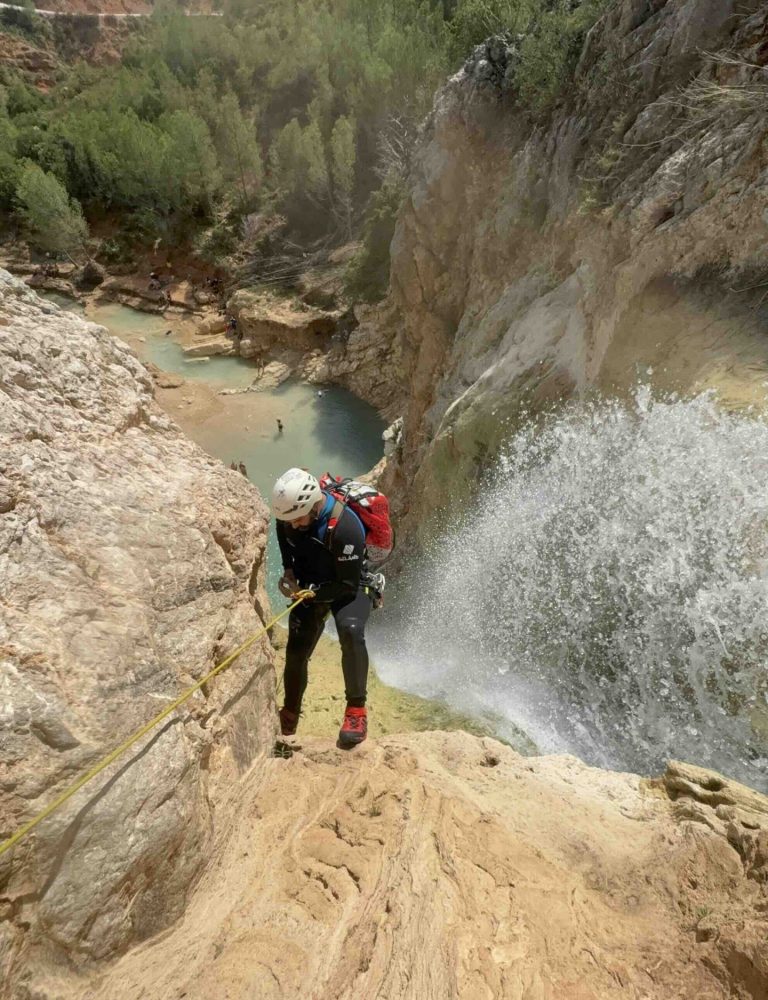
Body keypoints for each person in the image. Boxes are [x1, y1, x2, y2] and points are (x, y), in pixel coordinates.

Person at [273, 468, 372, 747]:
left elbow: (347, 585)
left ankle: (356, 710)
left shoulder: (345, 527)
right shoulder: (291, 516)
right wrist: (288, 568)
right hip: (310, 586)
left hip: (347, 584)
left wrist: (310, 594)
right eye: (287, 520)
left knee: (350, 630)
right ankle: (289, 714)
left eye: (297, 519)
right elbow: (283, 534)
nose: (292, 525)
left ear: (312, 506)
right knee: (295, 652)